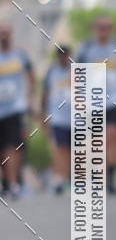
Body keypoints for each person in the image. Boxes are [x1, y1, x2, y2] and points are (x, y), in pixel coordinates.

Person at [75, 14, 116, 195]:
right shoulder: (86, 48)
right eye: (100, 27)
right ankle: (96, 176)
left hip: (115, 99)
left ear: (112, 29)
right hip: (92, 101)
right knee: (96, 140)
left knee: (112, 135)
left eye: (107, 27)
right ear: (94, 29)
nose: (104, 30)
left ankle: (110, 177)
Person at [0, 23, 35, 199]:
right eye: (1, 33)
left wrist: (29, 97)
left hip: (15, 108)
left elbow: (31, 76)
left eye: (6, 32)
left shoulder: (20, 55)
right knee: (2, 150)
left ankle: (13, 183)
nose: (4, 36)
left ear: (11, 35)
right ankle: (6, 182)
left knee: (13, 146)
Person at [41, 44, 72, 194]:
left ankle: (75, 178)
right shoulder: (51, 72)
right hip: (58, 117)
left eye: (65, 54)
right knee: (61, 149)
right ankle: (61, 178)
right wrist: (43, 116)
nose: (63, 57)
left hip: (76, 117)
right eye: (60, 54)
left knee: (76, 149)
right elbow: (45, 94)